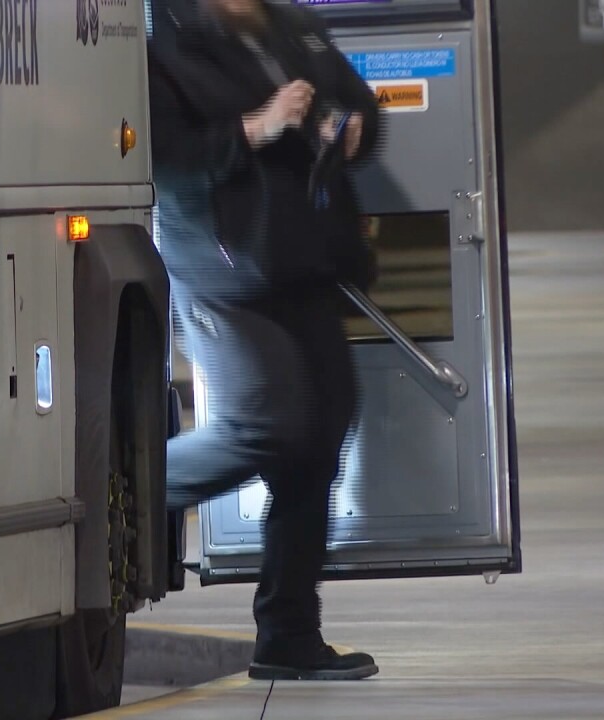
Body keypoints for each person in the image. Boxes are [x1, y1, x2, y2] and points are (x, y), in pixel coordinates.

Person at [148, 0, 383, 681]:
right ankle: (127, 491)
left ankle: (288, 634)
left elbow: (357, 100)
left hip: (305, 258)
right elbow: (168, 163)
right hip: (225, 271)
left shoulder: (289, 26)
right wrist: (260, 126)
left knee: (320, 438)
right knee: (270, 428)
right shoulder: (162, 41)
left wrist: (353, 130)